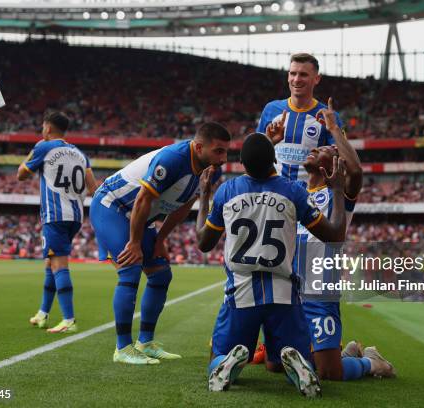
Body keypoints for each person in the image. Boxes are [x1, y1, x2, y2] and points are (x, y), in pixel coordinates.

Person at [196, 132, 349, 397]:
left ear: (242, 164)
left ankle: (226, 362)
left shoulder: (228, 191)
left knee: (216, 357)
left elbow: (203, 242)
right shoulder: (293, 191)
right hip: (283, 294)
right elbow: (334, 235)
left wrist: (204, 197)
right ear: (274, 161)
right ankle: (298, 366)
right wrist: (337, 190)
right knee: (283, 362)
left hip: (241, 292)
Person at [90, 122, 229, 365]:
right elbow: (143, 199)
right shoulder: (172, 159)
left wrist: (161, 240)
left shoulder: (211, 170)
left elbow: (183, 206)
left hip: (140, 217)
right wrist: (135, 243)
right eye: (218, 151)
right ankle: (122, 348)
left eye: (226, 151)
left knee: (161, 274)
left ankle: (146, 342)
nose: (224, 158)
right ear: (198, 147)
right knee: (131, 268)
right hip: (113, 206)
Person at [294, 98, 395, 381]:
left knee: (327, 373)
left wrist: (333, 129)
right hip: (291, 290)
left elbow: (357, 172)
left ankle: (371, 363)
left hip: (319, 291)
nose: (315, 149)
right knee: (282, 365)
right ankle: (345, 354)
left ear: (334, 164)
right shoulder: (297, 193)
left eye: (323, 149)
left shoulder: (338, 196)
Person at [18, 110, 97, 334]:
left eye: (43, 127)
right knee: (50, 263)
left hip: (54, 215)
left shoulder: (44, 147)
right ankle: (43, 313)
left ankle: (69, 320)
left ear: (48, 128)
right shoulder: (81, 155)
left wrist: (31, 154)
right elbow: (93, 188)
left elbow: (20, 175)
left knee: (58, 265)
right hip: (75, 217)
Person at [257, 53, 341, 182]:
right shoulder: (271, 109)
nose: (296, 79)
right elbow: (255, 152)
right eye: (293, 73)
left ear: (317, 79)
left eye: (303, 74)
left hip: (309, 196)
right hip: (275, 195)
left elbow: (340, 159)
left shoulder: (329, 117)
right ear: (288, 76)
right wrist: (268, 141)